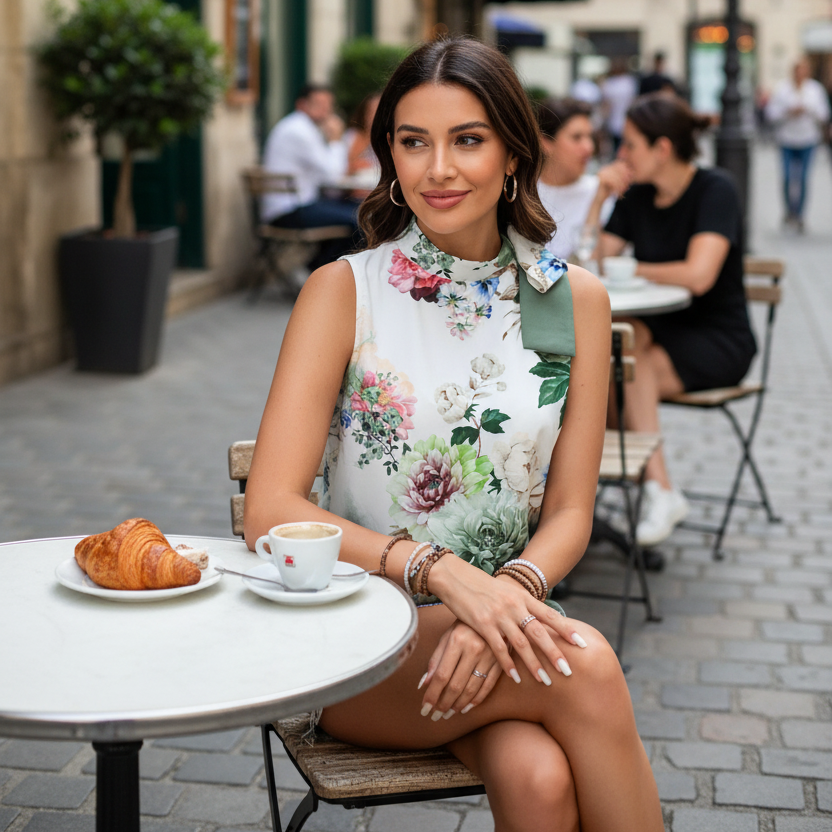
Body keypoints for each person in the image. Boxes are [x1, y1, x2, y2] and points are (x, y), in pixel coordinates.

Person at [245, 37, 663, 832]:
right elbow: (270, 507)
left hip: (505, 632)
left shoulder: (572, 299)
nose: (438, 168)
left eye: (467, 139)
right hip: (361, 640)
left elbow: (573, 510)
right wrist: (446, 577)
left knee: (538, 779)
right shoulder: (343, 292)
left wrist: (503, 593)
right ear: (389, 156)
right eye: (413, 141)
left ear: (513, 153)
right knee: (591, 666)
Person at [600, 94, 757, 546]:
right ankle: (637, 491)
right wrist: (600, 199)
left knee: (619, 370)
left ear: (662, 148)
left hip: (718, 339)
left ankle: (652, 489)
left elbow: (699, 275)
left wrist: (634, 269)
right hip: (656, 332)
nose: (622, 155)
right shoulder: (637, 194)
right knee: (613, 355)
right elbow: (593, 261)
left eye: (629, 145)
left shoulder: (716, 190)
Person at [261, 84, 360, 269]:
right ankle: (321, 274)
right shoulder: (300, 131)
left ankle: (316, 268)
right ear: (301, 105)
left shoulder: (300, 127)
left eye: (328, 105)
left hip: (300, 204)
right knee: (359, 220)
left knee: (361, 210)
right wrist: (337, 138)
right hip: (289, 210)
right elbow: (333, 175)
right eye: (319, 105)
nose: (326, 111)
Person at [537, 97, 630, 261]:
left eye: (590, 137)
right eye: (576, 137)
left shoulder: (601, 191)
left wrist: (597, 202)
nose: (589, 147)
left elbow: (593, 265)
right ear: (545, 142)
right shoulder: (521, 192)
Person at [766, 57, 830, 233]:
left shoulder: (815, 90)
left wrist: (808, 110)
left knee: (802, 178)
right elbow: (771, 113)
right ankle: (789, 211)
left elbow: (824, 114)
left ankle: (800, 214)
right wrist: (788, 112)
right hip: (786, 139)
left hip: (808, 139)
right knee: (787, 177)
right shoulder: (782, 89)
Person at [600, 58, 638, 155]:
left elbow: (606, 106)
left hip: (616, 121)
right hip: (623, 121)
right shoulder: (629, 82)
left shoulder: (610, 84)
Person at [346, 92, 382, 176]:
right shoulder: (353, 136)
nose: (375, 116)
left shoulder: (393, 139)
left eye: (379, 112)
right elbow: (347, 167)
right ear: (364, 114)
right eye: (371, 112)